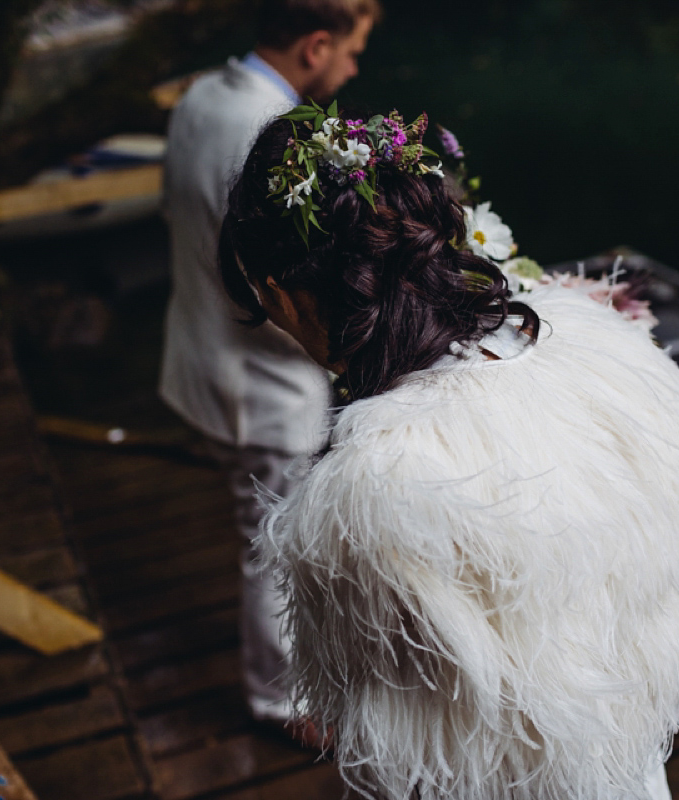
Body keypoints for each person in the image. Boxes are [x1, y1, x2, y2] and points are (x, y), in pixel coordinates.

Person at [217, 111, 679, 799]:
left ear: (280, 293)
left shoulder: (374, 488)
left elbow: (403, 731)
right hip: (625, 768)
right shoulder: (599, 348)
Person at [159, 0, 380, 726]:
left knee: (260, 530)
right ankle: (280, 700)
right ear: (316, 46)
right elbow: (284, 292)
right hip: (263, 389)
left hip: (198, 355)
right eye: (352, 51)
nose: (354, 68)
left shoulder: (200, 95)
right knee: (276, 552)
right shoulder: (276, 142)